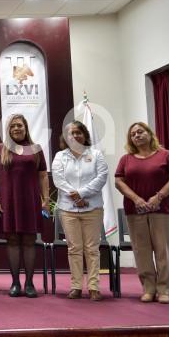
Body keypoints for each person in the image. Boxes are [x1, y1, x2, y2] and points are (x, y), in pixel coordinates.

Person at [115, 122, 169, 304]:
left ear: (149, 133)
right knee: (141, 251)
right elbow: (119, 181)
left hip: (162, 210)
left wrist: (158, 197)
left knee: (162, 250)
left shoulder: (166, 155)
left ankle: (164, 289)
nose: (137, 135)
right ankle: (148, 289)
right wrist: (136, 199)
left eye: (140, 131)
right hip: (135, 211)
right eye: (133, 134)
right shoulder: (126, 159)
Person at [0, 114, 49, 298]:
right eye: (13, 126)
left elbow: (43, 175)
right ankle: (15, 283)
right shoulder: (0, 149)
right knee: (12, 240)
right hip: (8, 201)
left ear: (25, 127)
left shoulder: (36, 149)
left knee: (30, 241)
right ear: (8, 129)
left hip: (30, 201)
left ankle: (29, 283)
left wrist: (45, 200)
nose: (16, 128)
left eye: (19, 125)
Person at [51, 120, 108, 301]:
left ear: (84, 134)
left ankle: (93, 287)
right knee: (74, 248)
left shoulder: (96, 154)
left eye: (78, 132)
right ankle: (76, 286)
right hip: (68, 209)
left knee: (92, 249)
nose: (75, 136)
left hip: (92, 208)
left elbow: (102, 177)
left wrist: (82, 194)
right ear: (65, 138)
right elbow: (58, 180)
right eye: (71, 133)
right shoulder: (60, 156)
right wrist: (75, 197)